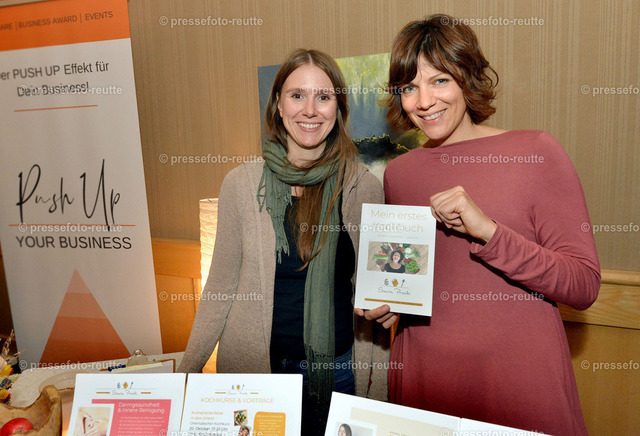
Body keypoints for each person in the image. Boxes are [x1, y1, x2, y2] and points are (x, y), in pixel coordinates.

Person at [363, 14, 600, 435]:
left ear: (466, 77)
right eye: (409, 88)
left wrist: (489, 231)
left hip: (518, 383)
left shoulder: (534, 151)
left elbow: (582, 285)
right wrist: (387, 304)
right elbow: (412, 280)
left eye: (439, 80)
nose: (424, 101)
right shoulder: (399, 173)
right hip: (424, 379)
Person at [178, 49, 389, 435]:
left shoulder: (363, 186)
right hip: (256, 377)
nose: (310, 110)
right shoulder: (241, 185)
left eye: (323, 97)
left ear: (338, 109)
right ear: (278, 104)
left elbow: (373, 293)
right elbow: (220, 289)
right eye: (297, 95)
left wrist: (379, 388)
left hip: (338, 372)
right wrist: (185, 375)